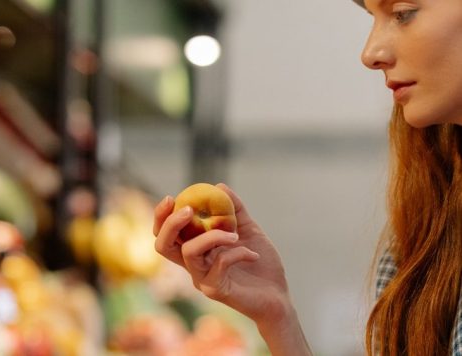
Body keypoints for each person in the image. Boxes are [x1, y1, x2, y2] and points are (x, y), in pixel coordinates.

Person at [152, 0, 462, 354]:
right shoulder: (427, 227)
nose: (370, 53)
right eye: (371, 17)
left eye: (403, 13)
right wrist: (276, 315)